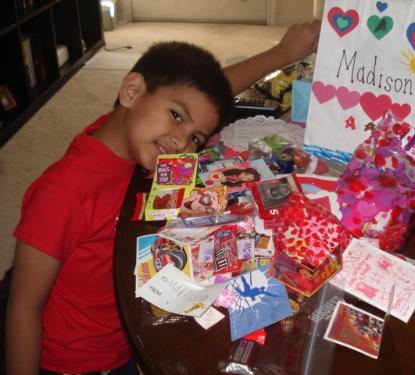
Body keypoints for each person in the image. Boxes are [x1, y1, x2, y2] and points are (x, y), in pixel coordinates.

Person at [6, 21, 320, 375]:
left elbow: (199, 99)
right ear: (131, 92)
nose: (180, 143)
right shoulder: (63, 193)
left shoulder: (133, 132)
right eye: (175, 117)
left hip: (126, 331)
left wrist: (283, 54)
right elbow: (23, 308)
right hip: (77, 363)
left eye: (195, 139)